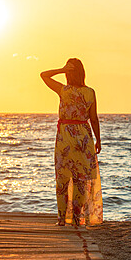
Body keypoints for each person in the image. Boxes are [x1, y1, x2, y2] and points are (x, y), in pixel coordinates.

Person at [40, 58, 103, 226]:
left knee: (63, 178)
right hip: (83, 136)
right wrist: (98, 140)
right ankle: (76, 218)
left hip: (65, 137)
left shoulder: (63, 90)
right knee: (80, 179)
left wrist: (61, 69)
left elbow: (44, 75)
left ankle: (62, 219)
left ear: (68, 73)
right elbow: (94, 119)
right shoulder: (90, 92)